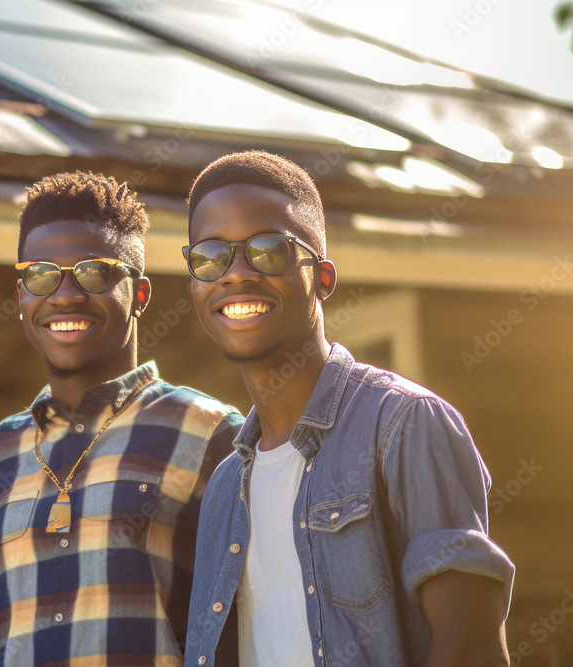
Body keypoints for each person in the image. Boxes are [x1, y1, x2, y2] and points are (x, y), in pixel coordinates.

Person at [182, 151, 515, 666]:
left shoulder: (404, 424)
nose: (236, 273)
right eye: (210, 256)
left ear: (323, 278)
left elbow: (471, 648)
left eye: (268, 249)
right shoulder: (224, 489)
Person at [0, 171, 245, 666]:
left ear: (139, 294)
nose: (65, 294)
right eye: (41, 275)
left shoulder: (211, 434)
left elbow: (244, 624)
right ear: (23, 295)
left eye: (93, 272)